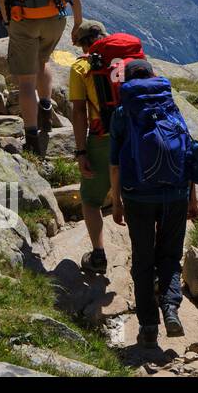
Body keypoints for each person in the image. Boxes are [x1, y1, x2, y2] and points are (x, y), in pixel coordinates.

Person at [109, 59, 198, 347]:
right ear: (153, 78)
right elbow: (188, 154)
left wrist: (117, 200)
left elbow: (114, 164)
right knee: (170, 255)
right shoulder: (170, 108)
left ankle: (148, 325)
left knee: (143, 258)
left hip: (137, 195)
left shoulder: (123, 112)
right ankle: (171, 308)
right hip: (175, 193)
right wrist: (192, 199)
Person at [0, 0, 82, 154]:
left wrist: (8, 22)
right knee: (43, 61)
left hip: (24, 20)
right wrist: (77, 24)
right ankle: (46, 111)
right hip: (56, 18)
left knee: (25, 82)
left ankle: (32, 138)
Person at [68, 19, 126, 275]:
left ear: (82, 45)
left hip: (102, 138)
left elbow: (79, 112)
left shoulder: (82, 66)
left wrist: (81, 151)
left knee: (91, 200)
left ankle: (99, 255)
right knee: (135, 197)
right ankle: (149, 260)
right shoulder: (125, 61)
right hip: (134, 136)